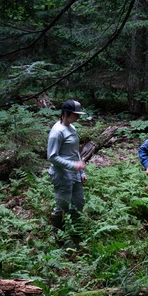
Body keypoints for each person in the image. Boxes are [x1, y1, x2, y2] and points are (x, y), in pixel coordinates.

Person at [47, 99, 87, 247]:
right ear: (65, 113)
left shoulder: (72, 128)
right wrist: (73, 165)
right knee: (62, 206)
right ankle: (60, 240)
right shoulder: (56, 132)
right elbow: (52, 156)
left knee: (78, 202)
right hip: (62, 174)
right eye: (75, 114)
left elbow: (75, 152)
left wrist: (81, 171)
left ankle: (76, 233)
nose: (78, 117)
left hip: (75, 173)